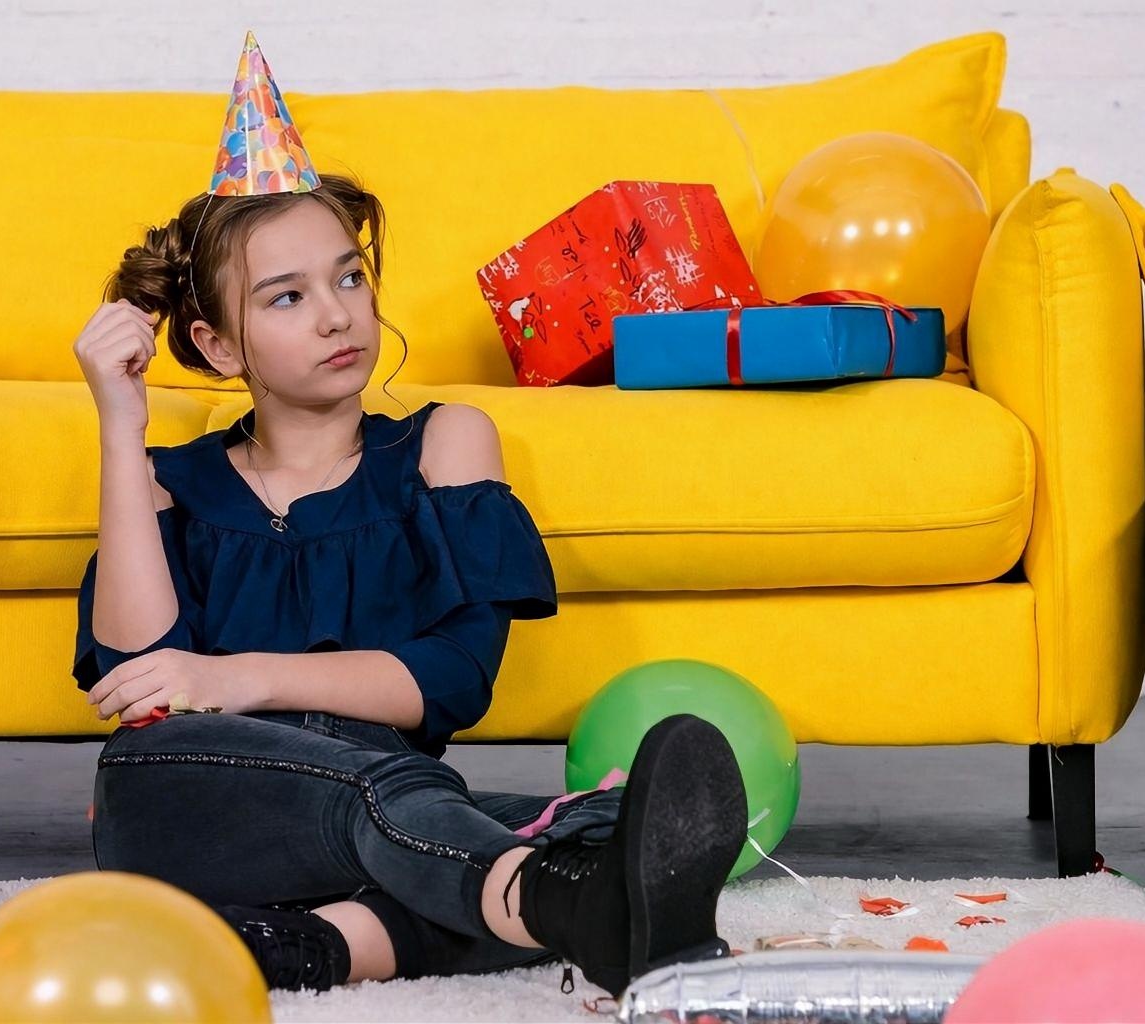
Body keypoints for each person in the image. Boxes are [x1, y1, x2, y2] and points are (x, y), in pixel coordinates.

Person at [68, 170, 747, 998]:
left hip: (391, 805)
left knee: (606, 827)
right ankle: (540, 899)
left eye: (350, 276)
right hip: (197, 801)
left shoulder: (443, 444)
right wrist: (119, 427)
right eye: (287, 298)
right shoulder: (168, 481)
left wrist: (238, 676)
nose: (337, 314)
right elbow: (138, 681)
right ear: (217, 345)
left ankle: (307, 947)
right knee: (219, 766)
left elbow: (457, 678)